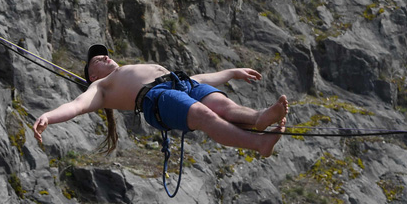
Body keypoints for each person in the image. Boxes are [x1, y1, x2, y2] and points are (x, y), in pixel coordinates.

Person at [32, 44, 287, 157]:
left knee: (224, 106)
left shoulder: (126, 70)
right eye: (98, 60)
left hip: (179, 82)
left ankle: (258, 118)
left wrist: (231, 72)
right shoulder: (100, 88)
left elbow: (199, 78)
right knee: (205, 115)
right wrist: (48, 117)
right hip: (156, 98)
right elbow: (76, 106)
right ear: (92, 75)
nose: (106, 57)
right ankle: (258, 143)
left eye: (106, 55)